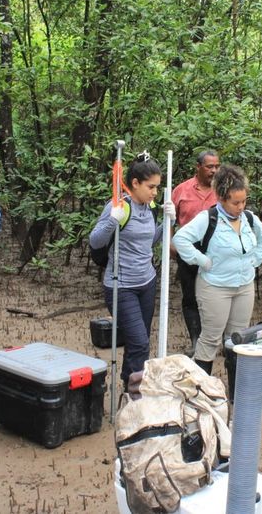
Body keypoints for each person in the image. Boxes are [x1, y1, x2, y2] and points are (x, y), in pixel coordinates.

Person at [173, 164, 262, 375]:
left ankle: (237, 389)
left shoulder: (249, 218)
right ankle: (203, 390)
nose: (241, 207)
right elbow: (180, 239)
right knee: (210, 338)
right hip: (215, 287)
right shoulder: (208, 219)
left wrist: (255, 259)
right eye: (236, 203)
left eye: (244, 201)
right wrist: (203, 261)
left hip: (244, 285)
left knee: (238, 338)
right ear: (222, 199)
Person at [89, 152, 174, 389]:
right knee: (139, 342)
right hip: (121, 285)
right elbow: (95, 241)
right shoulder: (118, 206)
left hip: (146, 282)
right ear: (135, 183)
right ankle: (137, 391)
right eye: (151, 187)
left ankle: (129, 385)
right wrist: (112, 221)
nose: (155, 192)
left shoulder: (150, 208)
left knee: (139, 341)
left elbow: (151, 241)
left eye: (157, 187)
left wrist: (168, 222)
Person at [171, 150, 220, 356]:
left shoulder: (222, 190)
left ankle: (218, 339)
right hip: (188, 250)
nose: (214, 171)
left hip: (217, 252)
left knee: (217, 296)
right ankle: (195, 340)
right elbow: (169, 220)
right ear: (198, 167)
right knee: (190, 296)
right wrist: (171, 243)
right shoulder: (181, 190)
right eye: (210, 167)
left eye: (217, 166)